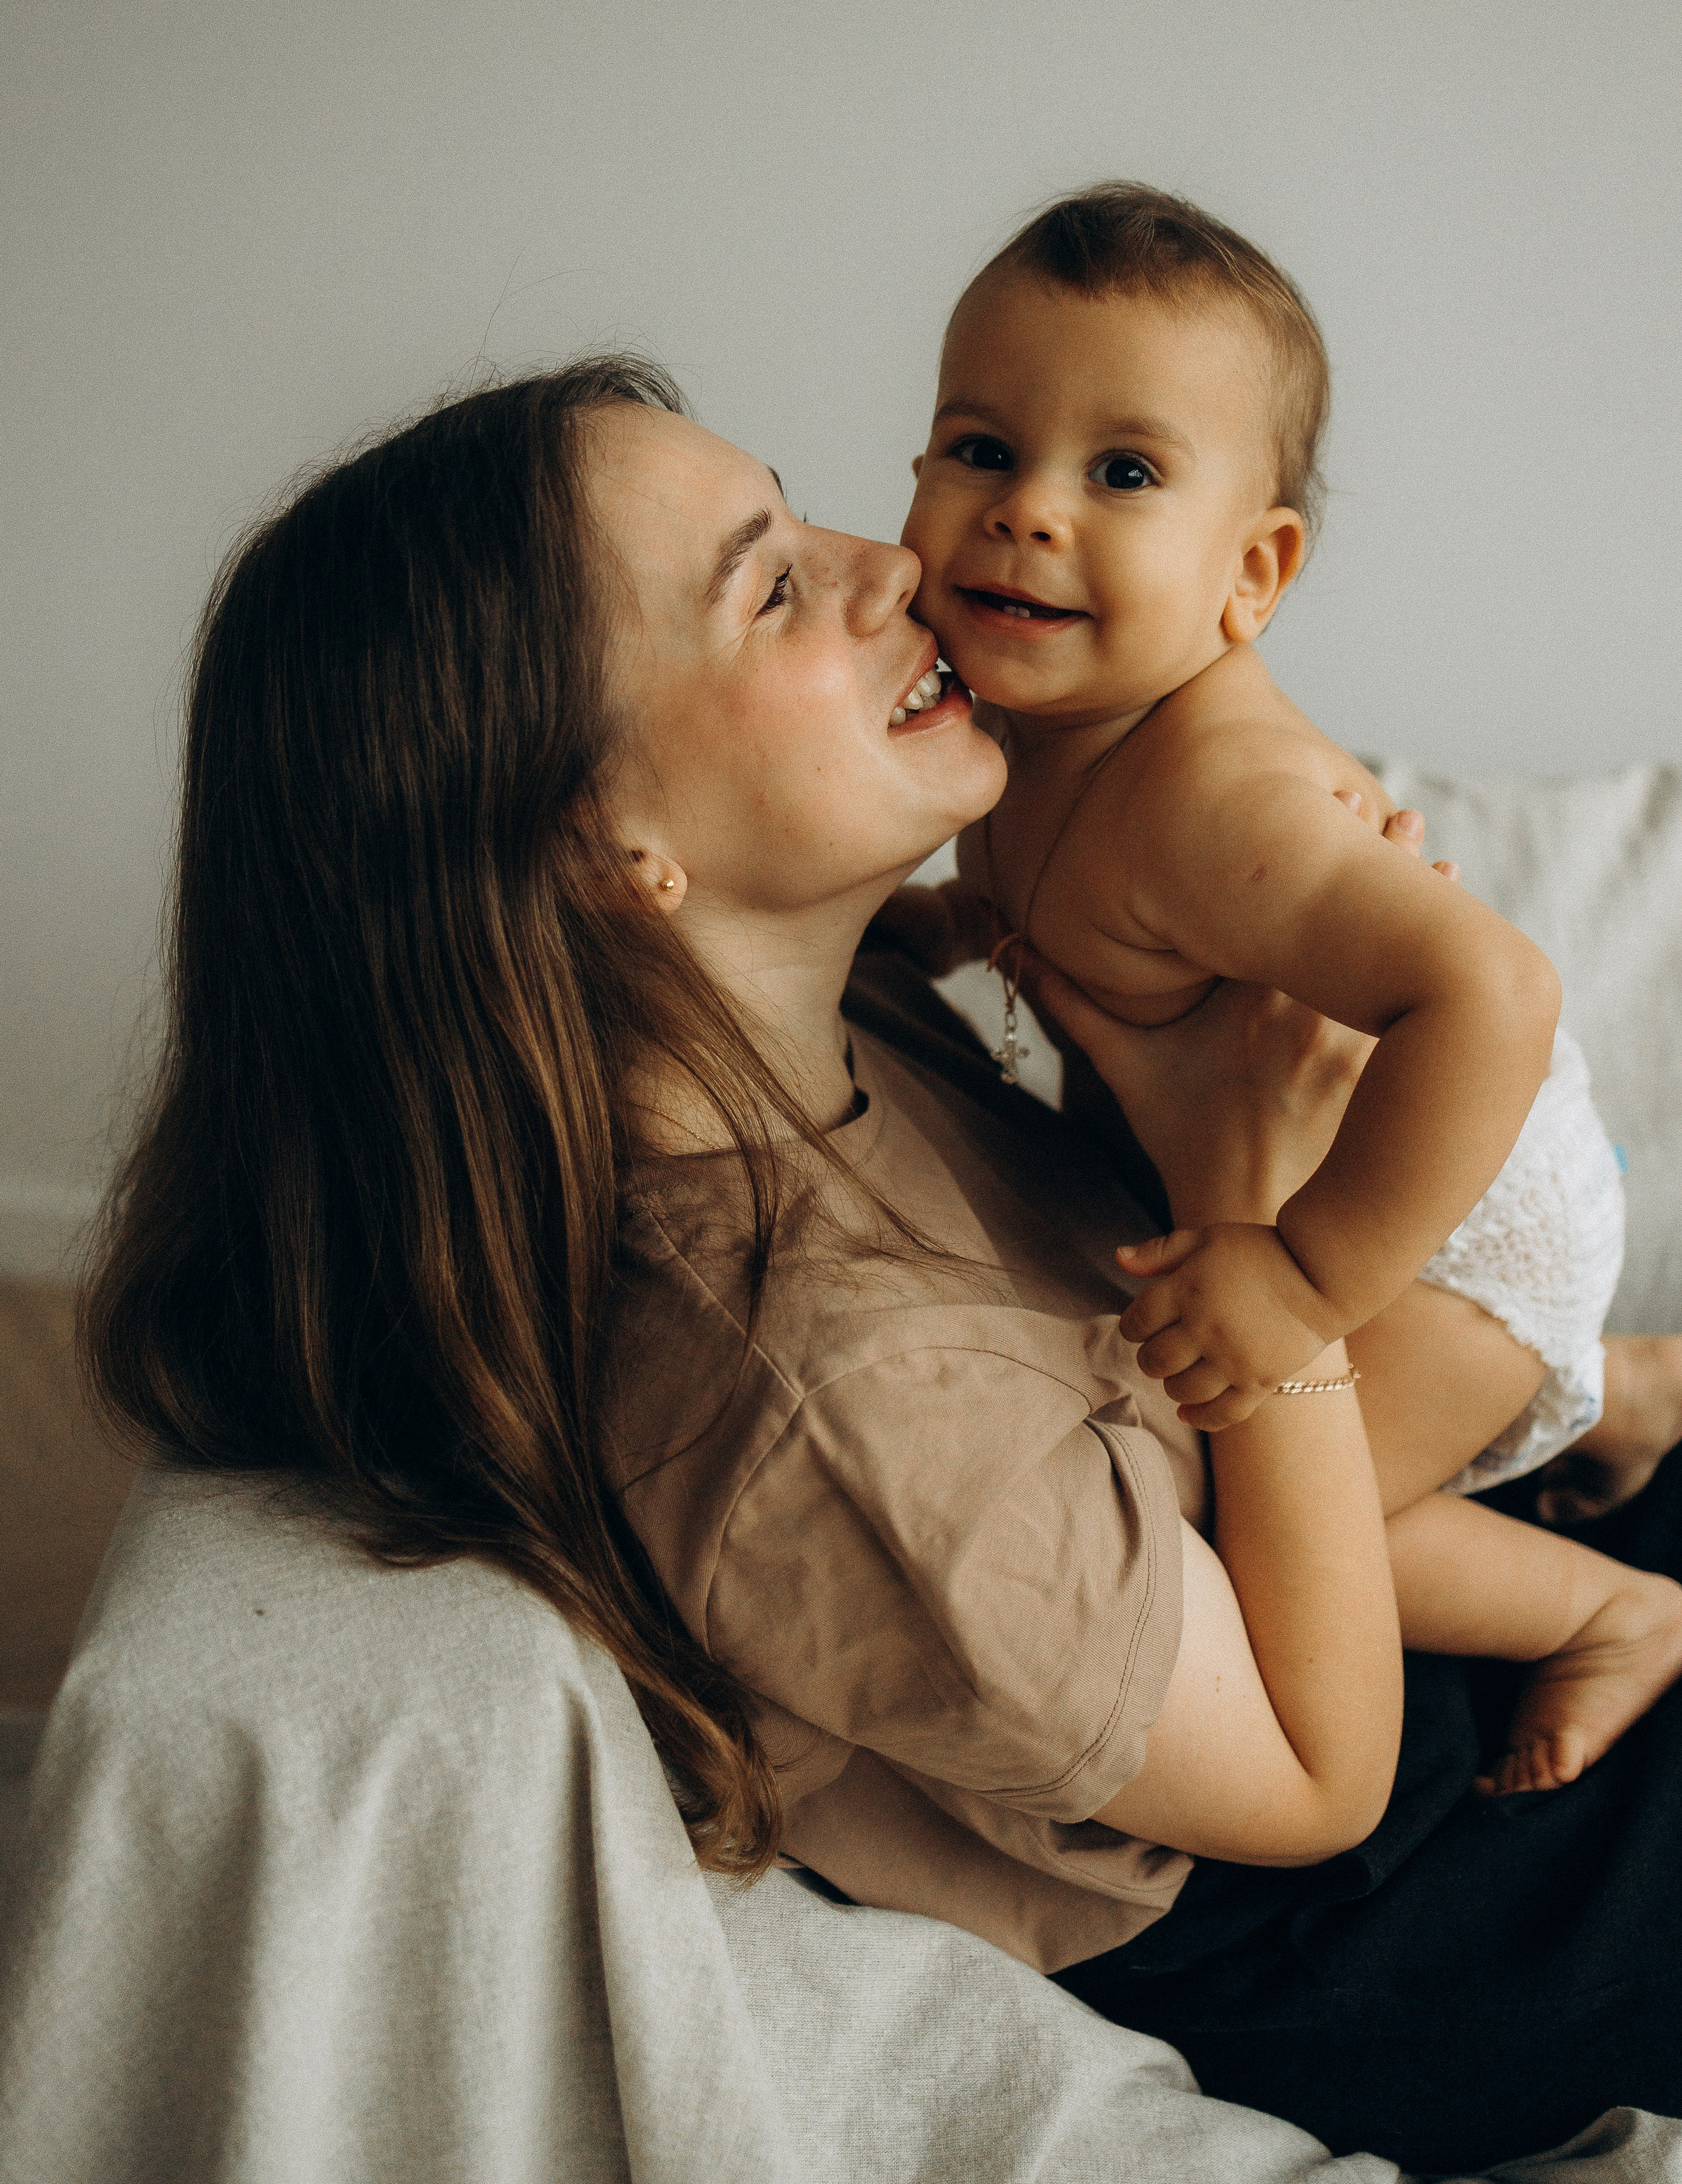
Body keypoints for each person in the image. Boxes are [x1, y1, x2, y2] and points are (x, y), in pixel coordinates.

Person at [80, 357, 1682, 2171]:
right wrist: (1252, 1209)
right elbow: (1318, 1780)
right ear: (604, 844)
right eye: (770, 585)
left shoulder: (838, 1028)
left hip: (1367, 1582)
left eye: (799, 510)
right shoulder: (831, 1404)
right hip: (1398, 1899)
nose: (892, 565)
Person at [899, 181, 1682, 1794]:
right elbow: (1050, 910)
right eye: (980, 447)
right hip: (1354, 1175)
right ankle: (1623, 1399)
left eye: (1122, 472)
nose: (1026, 510)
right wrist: (933, 930)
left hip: (1455, 1227)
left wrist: (1306, 1281)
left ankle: (1611, 1610)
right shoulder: (1026, 730)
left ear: (1248, 575)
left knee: (1241, 1524)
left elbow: (1494, 991)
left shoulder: (1216, 799)